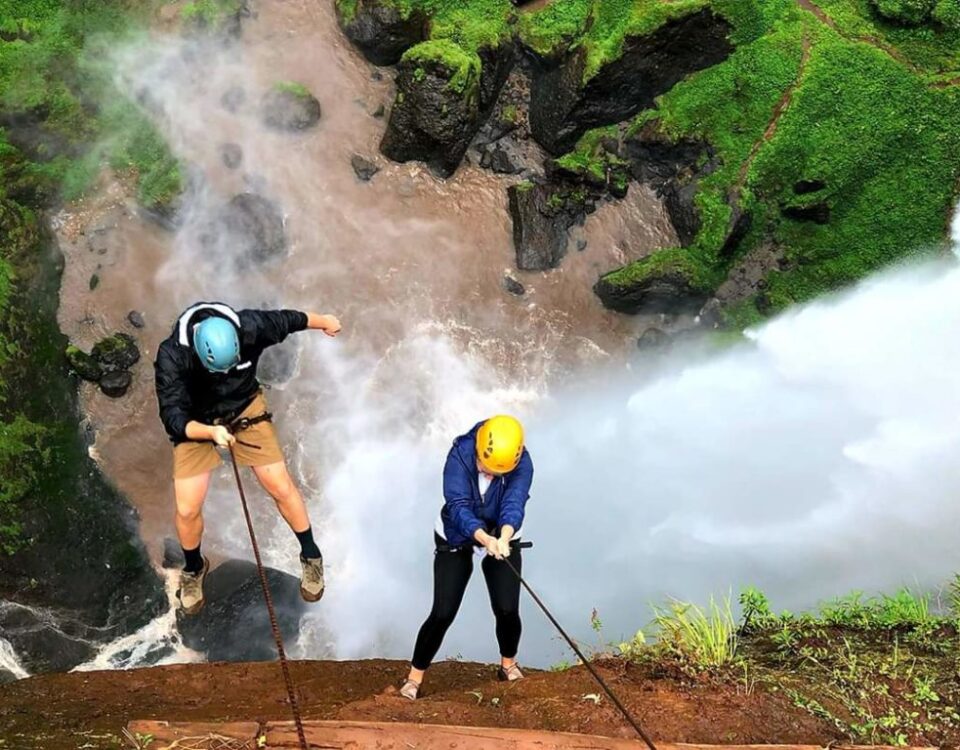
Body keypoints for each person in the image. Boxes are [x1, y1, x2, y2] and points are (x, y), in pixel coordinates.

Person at [154, 301, 341, 614]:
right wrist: (210, 433)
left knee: (279, 485)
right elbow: (172, 415)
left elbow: (288, 320)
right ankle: (194, 568)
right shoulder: (173, 355)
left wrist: (325, 320)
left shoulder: (250, 327)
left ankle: (311, 556)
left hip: (244, 407)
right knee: (187, 508)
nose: (225, 373)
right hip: (195, 420)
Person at [400, 415, 534, 700]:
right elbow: (458, 505)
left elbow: (514, 502)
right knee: (443, 611)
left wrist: (504, 537)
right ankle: (414, 678)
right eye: (484, 468)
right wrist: (485, 539)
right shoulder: (460, 454)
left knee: (507, 608)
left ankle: (508, 666)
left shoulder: (522, 463)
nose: (487, 474)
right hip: (456, 534)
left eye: (496, 472)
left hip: (503, 533)